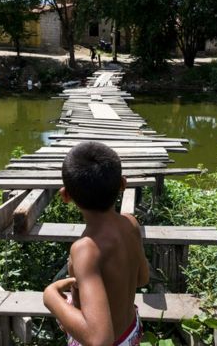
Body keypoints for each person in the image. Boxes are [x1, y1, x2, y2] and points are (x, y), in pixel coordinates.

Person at [43, 142, 150, 346]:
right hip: (131, 332)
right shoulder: (131, 223)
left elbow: (99, 340)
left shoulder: (85, 249)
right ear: (122, 184)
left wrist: (50, 297)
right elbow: (142, 279)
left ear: (65, 195)